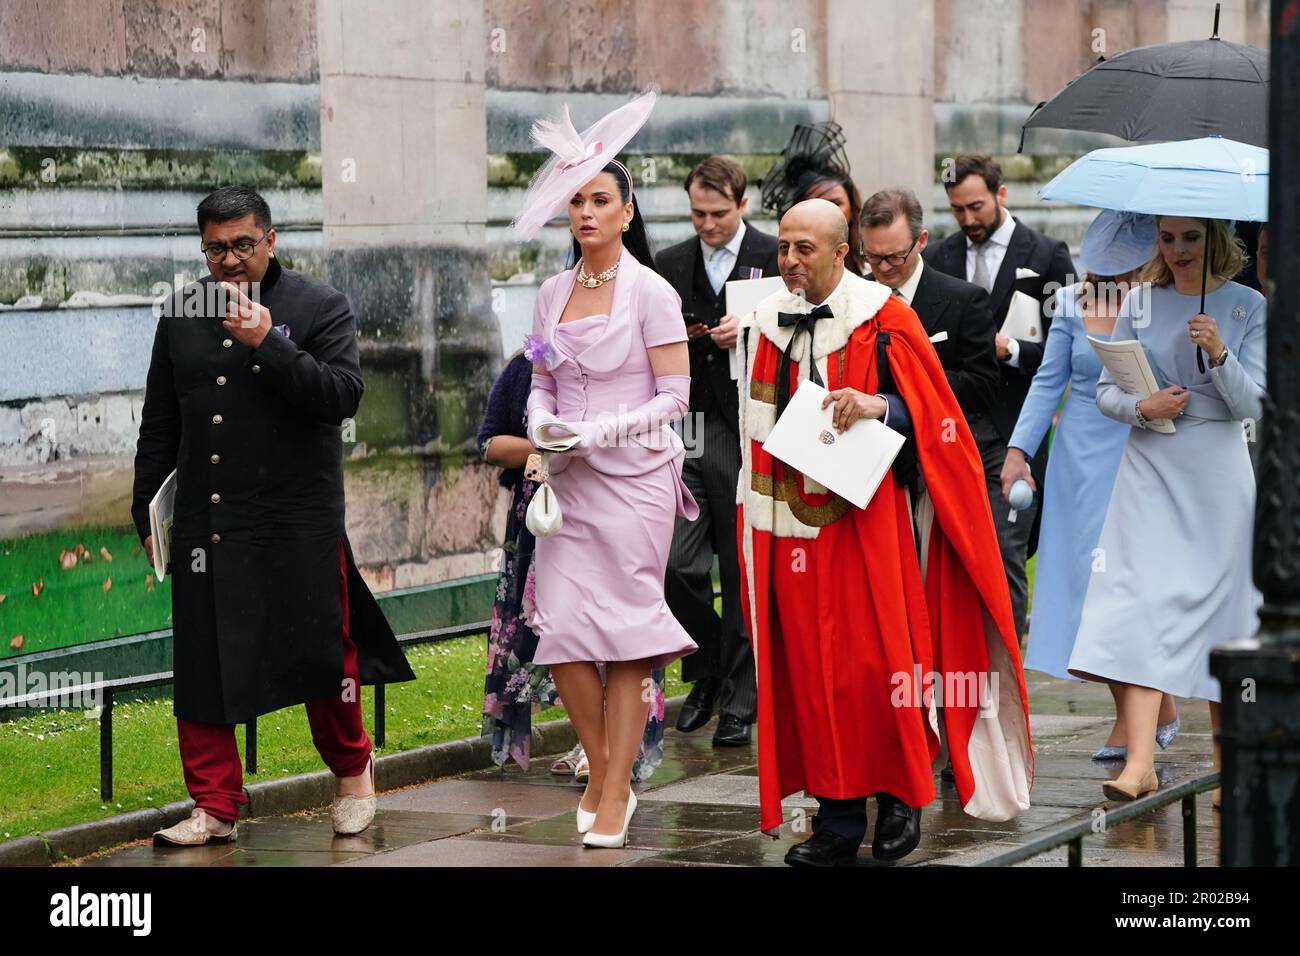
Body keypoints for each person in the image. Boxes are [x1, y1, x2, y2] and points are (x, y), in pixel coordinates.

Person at [736, 198, 1033, 867]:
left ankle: (901, 797)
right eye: (783, 247)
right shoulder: (766, 321)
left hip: (872, 521)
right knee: (812, 673)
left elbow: (939, 412)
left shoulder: (885, 317)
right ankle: (837, 819)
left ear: (843, 252)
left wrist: (882, 405)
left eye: (804, 248)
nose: (789, 261)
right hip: (790, 524)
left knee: (879, 669)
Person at [133, 185, 415, 846]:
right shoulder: (182, 313)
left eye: (242, 245)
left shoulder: (320, 306)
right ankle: (215, 805)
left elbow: (341, 398)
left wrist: (271, 344)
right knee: (204, 662)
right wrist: (148, 514)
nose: (229, 260)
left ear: (271, 240)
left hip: (297, 521)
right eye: (215, 248)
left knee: (324, 659)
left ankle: (352, 771)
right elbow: (160, 423)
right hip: (210, 521)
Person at [513, 91, 698, 848]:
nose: (586, 212)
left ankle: (616, 791)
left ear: (626, 213)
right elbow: (540, 379)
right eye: (576, 201)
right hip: (568, 479)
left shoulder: (653, 291)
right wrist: (539, 427)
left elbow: (675, 398)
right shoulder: (553, 292)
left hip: (637, 479)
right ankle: (602, 767)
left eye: (600, 200)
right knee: (558, 628)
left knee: (625, 636)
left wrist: (598, 431)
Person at [1068, 216, 1265, 805]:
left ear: (1217, 239)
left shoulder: (1246, 304)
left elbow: (1256, 402)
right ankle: (1139, 763)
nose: (1177, 250)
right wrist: (1142, 406)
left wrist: (1220, 352)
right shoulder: (1136, 301)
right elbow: (1105, 392)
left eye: (1191, 237)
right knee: (1136, 604)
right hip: (1149, 465)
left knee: (1225, 617)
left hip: (1216, 473)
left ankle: (1229, 766)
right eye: (1167, 237)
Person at [999, 211, 1179, 759]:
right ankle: (1142, 710)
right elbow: (1049, 380)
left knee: (1126, 585)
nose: (1115, 281)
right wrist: (1018, 452)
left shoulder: (1168, 302)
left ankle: (1144, 715)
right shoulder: (1073, 303)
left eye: (1125, 272)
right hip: (1079, 455)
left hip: (1140, 446)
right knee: (1082, 585)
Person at [476, 351, 667, 781]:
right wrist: (545, 447)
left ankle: (609, 753)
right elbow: (489, 442)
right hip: (544, 515)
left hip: (613, 508)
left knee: (611, 627)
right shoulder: (525, 368)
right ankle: (593, 742)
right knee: (561, 632)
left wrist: (579, 445)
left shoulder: (627, 365)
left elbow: (651, 429)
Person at [923, 152, 1075, 643]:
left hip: (1016, 427)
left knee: (1006, 546)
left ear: (1001, 194)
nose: (968, 219)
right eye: (957, 209)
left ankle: (1005, 662)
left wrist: (1008, 349)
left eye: (976, 207)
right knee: (952, 550)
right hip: (951, 427)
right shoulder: (938, 257)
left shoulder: (1048, 253)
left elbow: (1066, 348)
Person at [656, 156, 779, 747]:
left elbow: (794, 328)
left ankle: (739, 698)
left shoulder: (774, 255)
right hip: (685, 423)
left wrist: (749, 328)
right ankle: (704, 668)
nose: (707, 224)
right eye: (697, 213)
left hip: (745, 423)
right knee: (677, 563)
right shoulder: (670, 263)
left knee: (739, 565)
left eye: (718, 213)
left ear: (743, 204)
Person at [860, 187, 999, 420]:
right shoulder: (851, 296)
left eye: (895, 256)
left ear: (922, 240)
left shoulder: (965, 300)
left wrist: (897, 396)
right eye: (873, 256)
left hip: (936, 442)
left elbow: (982, 388)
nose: (883, 267)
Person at [761, 122, 867, 276]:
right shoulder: (787, 266)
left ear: (852, 205)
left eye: (836, 203)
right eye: (818, 204)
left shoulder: (875, 260)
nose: (828, 211)